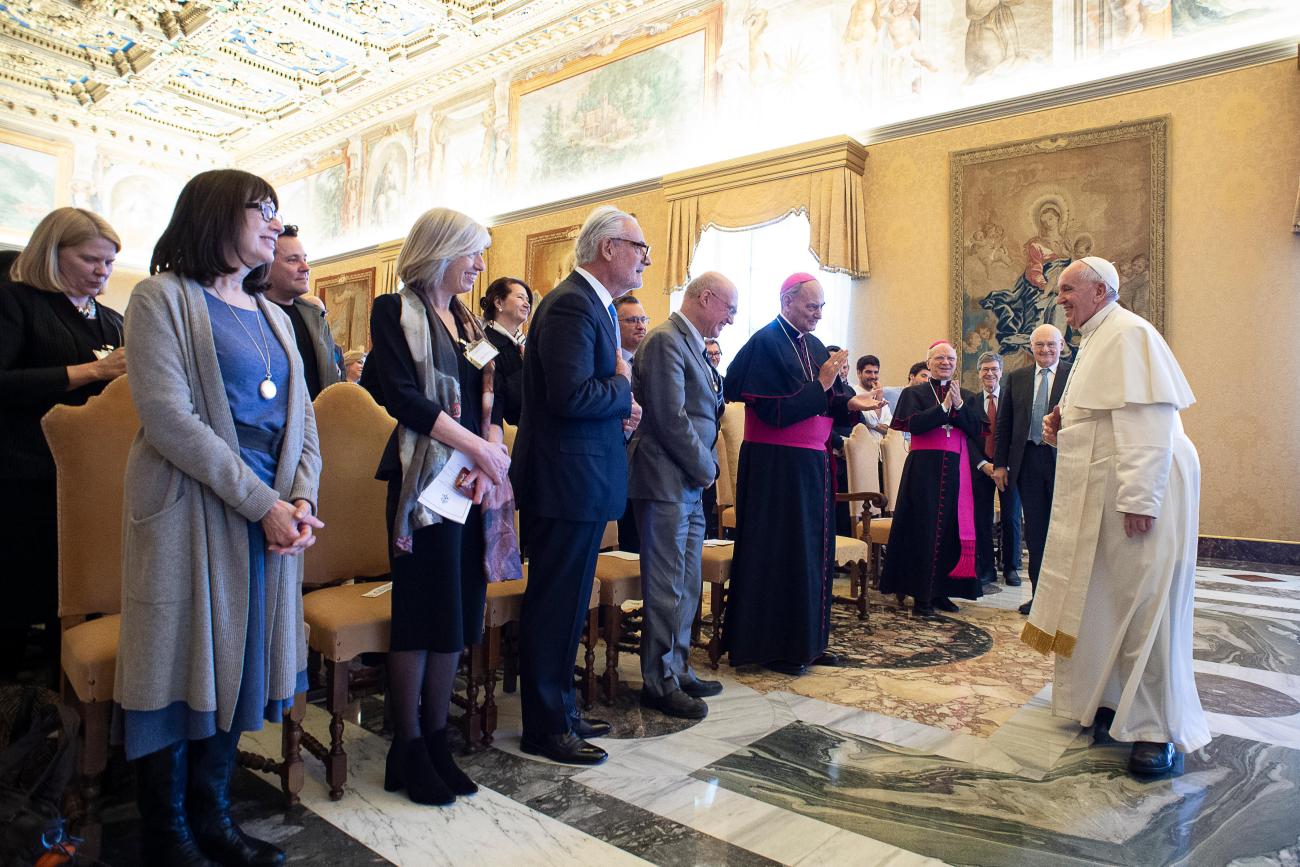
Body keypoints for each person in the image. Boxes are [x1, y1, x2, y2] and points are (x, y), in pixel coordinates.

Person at [116, 170, 323, 866]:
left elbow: (305, 425)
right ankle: (168, 832)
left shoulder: (276, 316)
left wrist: (300, 501)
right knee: (179, 666)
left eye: (277, 213)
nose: (274, 224)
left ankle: (215, 818)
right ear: (213, 214)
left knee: (238, 670)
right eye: (261, 210)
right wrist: (263, 503)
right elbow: (169, 419)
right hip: (190, 514)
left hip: (267, 520)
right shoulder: (161, 299)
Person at [1024, 256, 1208, 777]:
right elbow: (1103, 411)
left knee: (1143, 604)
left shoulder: (1129, 333)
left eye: (1068, 289)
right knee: (1104, 598)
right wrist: (1068, 419)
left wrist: (1140, 500)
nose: (1060, 297)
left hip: (1136, 496)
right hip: (1108, 497)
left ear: (1100, 290)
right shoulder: (1095, 338)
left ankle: (1151, 729)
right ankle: (1110, 702)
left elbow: (1148, 422)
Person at [361, 207, 515, 805]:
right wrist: (476, 447)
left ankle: (437, 742)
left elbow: (492, 400)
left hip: (466, 483)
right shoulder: (395, 311)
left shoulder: (470, 324)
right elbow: (399, 396)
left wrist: (489, 453)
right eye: (472, 253)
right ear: (440, 252)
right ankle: (408, 747)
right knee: (422, 616)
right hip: (422, 484)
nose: (480, 264)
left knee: (457, 613)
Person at [511, 205, 645, 765]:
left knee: (568, 605)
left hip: (581, 476)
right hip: (565, 479)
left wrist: (619, 408)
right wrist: (622, 388)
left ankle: (561, 709)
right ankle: (544, 726)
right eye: (639, 248)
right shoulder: (571, 304)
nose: (644, 259)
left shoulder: (593, 304)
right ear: (608, 247)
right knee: (555, 603)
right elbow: (568, 397)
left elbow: (581, 397)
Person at [721, 273, 880, 676]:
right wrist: (824, 383)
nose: (818, 315)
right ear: (787, 300)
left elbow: (828, 403)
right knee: (780, 553)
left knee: (812, 552)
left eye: (822, 307)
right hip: (776, 468)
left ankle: (809, 641)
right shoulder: (764, 343)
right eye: (812, 306)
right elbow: (776, 411)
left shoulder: (810, 345)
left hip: (810, 466)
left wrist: (852, 403)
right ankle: (774, 646)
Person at [0, 207, 126, 680]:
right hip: (26, 471)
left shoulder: (112, 320)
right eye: (91, 259)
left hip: (93, 477)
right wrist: (92, 372)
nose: (102, 272)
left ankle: (70, 703)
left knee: (79, 596)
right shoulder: (15, 301)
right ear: (52, 254)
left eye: (110, 263)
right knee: (19, 597)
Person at [628, 271, 737, 719]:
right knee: (666, 584)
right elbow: (670, 417)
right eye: (728, 309)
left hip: (687, 482)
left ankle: (680, 666)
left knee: (688, 582)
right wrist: (706, 466)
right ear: (706, 298)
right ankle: (659, 680)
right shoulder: (664, 341)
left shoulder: (690, 342)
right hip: (665, 479)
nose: (730, 319)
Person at [881, 341, 987, 617]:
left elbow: (977, 430)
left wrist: (959, 406)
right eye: (939, 358)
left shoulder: (967, 395)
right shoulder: (913, 394)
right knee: (923, 529)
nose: (945, 362)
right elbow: (912, 425)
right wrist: (942, 409)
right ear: (928, 363)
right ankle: (921, 595)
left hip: (956, 470)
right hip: (923, 471)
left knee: (951, 529)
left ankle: (942, 591)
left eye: (950, 359)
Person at [992, 324, 1070, 614]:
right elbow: (1004, 425)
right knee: (1036, 533)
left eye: (1051, 345)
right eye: (1040, 345)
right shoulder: (1018, 377)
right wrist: (1000, 464)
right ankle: (1040, 598)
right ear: (1031, 348)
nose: (1046, 350)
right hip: (1028, 463)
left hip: (1063, 460)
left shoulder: (1073, 375)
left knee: (1063, 533)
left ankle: (1064, 602)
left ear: (1061, 345)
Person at [262, 225, 342, 398]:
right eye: (292, 260)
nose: (305, 267)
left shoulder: (316, 318)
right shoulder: (255, 315)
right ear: (266, 266)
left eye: (305, 259)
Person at [972, 352, 1022, 587]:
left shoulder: (1012, 399)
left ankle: (1011, 567)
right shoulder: (970, 402)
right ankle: (986, 568)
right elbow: (968, 438)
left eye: (994, 369)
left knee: (1011, 517)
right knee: (981, 518)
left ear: (1001, 372)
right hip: (982, 467)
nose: (990, 373)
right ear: (979, 373)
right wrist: (984, 465)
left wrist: (1005, 464)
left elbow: (1017, 435)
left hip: (1009, 467)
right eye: (985, 369)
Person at [615, 294, 651, 550]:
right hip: (618, 456)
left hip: (647, 460)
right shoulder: (610, 361)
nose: (641, 326)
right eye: (632, 320)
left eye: (643, 319)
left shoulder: (651, 360)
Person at [479, 276, 532, 426]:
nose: (527, 304)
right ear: (498, 302)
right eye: (521, 297)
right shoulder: (486, 344)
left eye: (528, 300)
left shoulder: (524, 344)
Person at [856, 354, 892, 439]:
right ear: (859, 373)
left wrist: (872, 425)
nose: (873, 376)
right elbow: (872, 421)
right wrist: (879, 396)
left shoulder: (883, 398)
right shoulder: (853, 395)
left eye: (876, 372)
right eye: (868, 372)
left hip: (880, 449)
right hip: (862, 448)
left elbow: (890, 430)